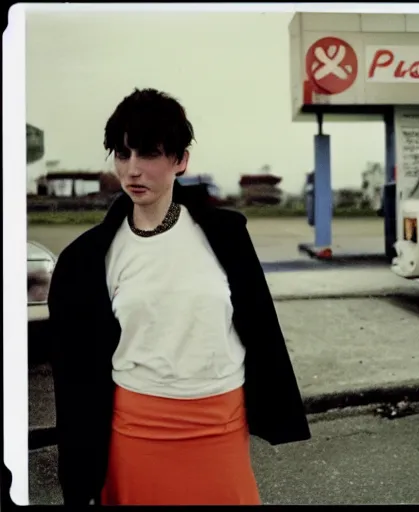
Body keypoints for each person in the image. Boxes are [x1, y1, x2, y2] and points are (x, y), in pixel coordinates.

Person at [48, 88, 311, 506]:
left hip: (219, 424)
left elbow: (257, 327)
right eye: (122, 153)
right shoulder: (90, 257)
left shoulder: (225, 236)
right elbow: (75, 371)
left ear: (180, 159)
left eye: (149, 153)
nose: (133, 170)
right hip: (135, 429)